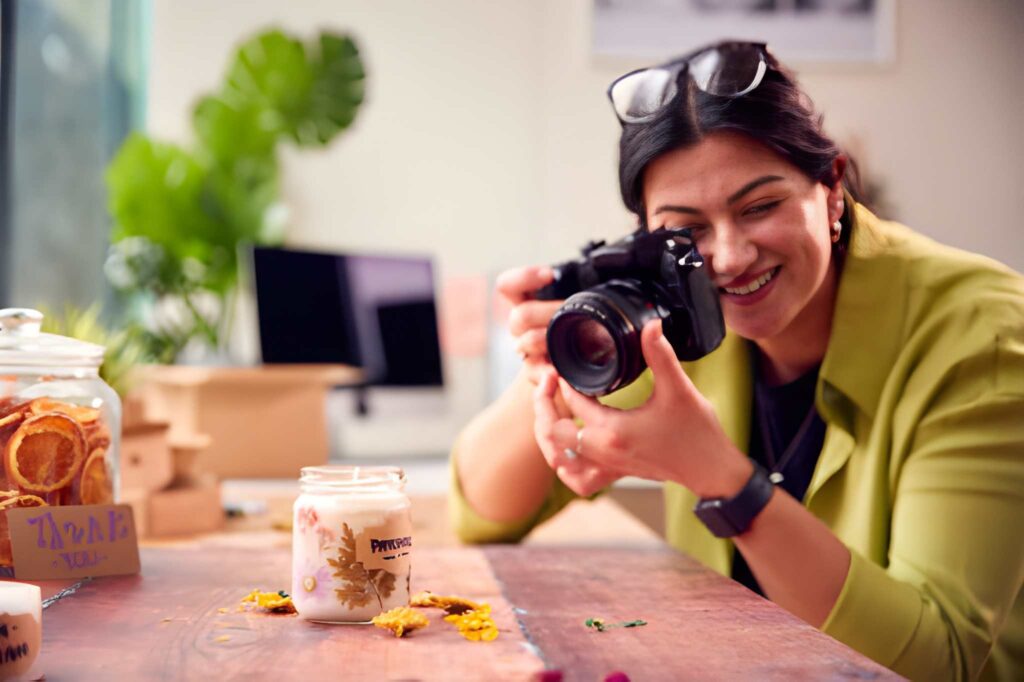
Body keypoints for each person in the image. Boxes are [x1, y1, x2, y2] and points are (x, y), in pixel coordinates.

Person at [448, 41, 1024, 681]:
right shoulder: (671, 312)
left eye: (760, 207)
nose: (728, 257)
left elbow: (936, 660)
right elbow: (479, 511)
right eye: (685, 231)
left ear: (831, 189)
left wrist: (721, 479)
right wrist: (554, 363)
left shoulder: (985, 335)